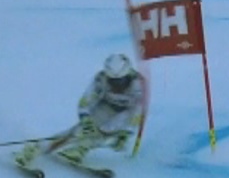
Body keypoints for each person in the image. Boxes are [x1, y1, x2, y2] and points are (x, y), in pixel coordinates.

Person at [14, 54, 145, 168]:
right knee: (78, 132)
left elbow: (138, 111)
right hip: (105, 106)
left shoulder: (138, 85)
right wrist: (85, 118)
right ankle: (35, 149)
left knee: (107, 131)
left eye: (120, 80)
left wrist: (127, 133)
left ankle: (81, 148)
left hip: (126, 112)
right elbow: (87, 99)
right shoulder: (101, 79)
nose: (116, 84)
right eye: (113, 80)